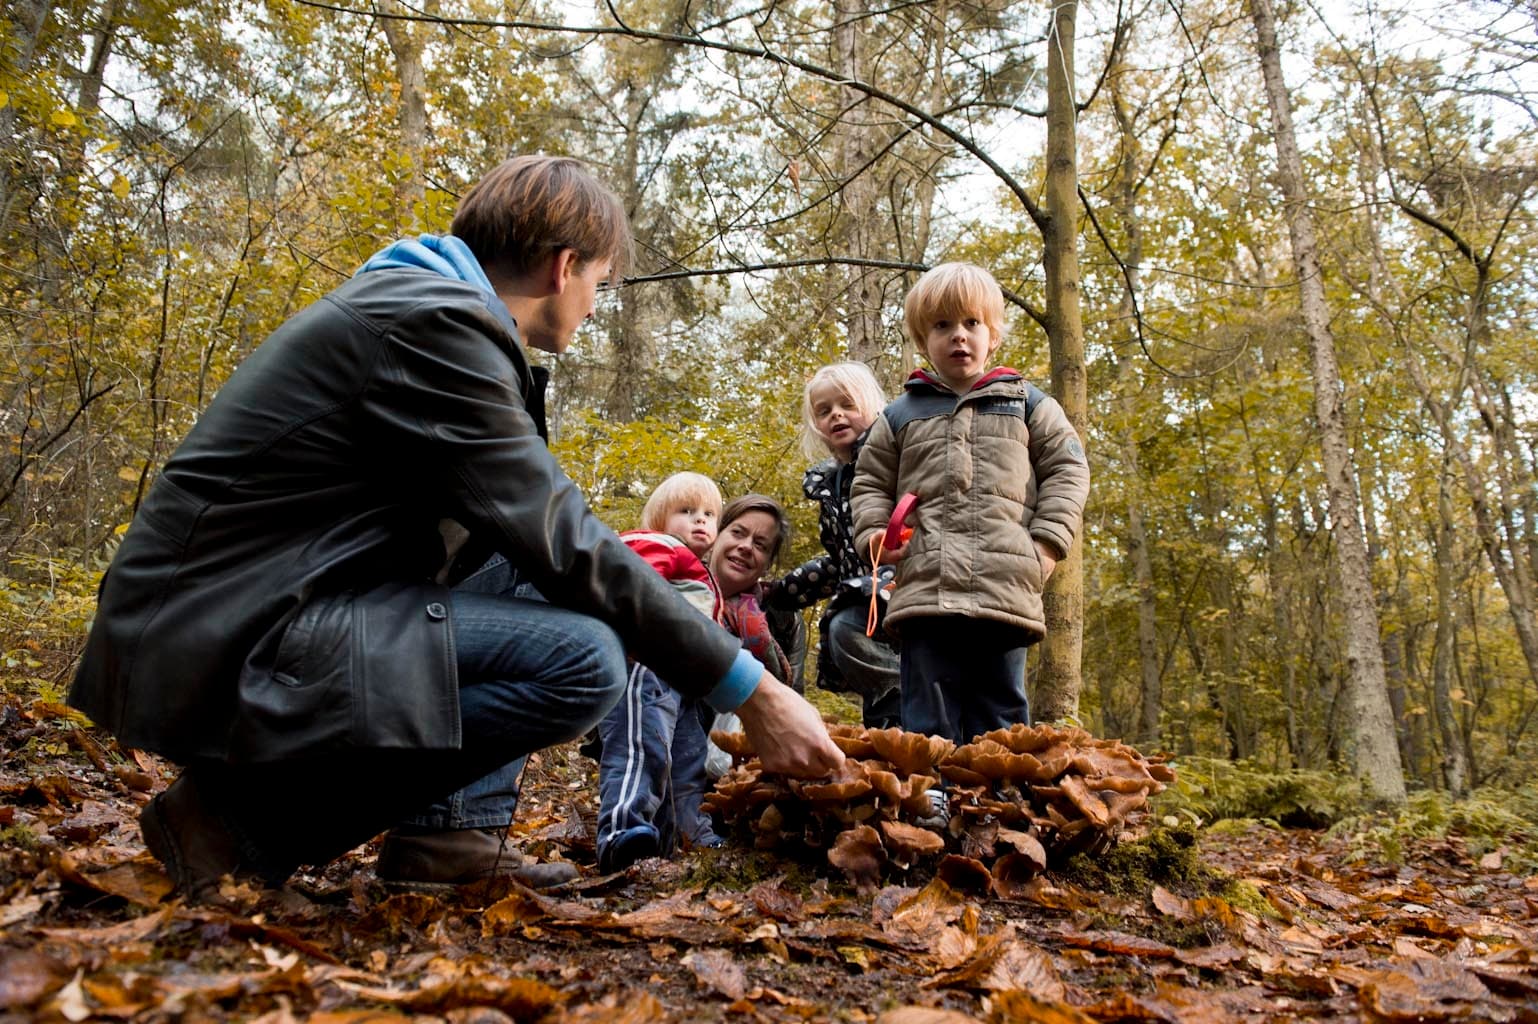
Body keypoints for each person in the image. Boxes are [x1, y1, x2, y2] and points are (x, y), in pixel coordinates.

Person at [67, 155, 843, 900]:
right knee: (582, 663)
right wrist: (753, 689)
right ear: (562, 267)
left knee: (529, 575)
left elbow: (532, 541)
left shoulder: (423, 309)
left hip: (246, 611)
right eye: (600, 283)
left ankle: (448, 836)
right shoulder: (431, 325)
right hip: (220, 631)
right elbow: (566, 539)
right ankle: (233, 822)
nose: (597, 305)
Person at [849, 262, 1090, 745]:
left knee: (999, 712)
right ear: (923, 339)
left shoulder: (1027, 404)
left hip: (1005, 589)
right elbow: (870, 482)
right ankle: (932, 805)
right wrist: (875, 534)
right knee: (927, 715)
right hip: (924, 590)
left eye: (971, 323)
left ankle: (997, 808)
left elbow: (1069, 469)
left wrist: (1045, 545)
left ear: (993, 335)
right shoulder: (898, 416)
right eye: (942, 325)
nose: (958, 336)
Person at [595, 472, 726, 873]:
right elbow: (635, 585)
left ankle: (681, 838)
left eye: (709, 514)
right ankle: (622, 828)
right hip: (646, 668)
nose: (700, 521)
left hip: (681, 682)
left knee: (688, 761)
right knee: (638, 744)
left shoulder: (698, 570)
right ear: (659, 520)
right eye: (686, 511)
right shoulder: (656, 544)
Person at [763, 362, 902, 729]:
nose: (836, 415)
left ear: (873, 408)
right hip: (865, 598)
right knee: (846, 631)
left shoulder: (894, 459)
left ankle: (908, 695)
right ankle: (890, 724)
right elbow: (840, 561)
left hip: (903, 587)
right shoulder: (831, 485)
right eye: (824, 411)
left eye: (848, 405)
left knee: (847, 627)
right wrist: (783, 590)